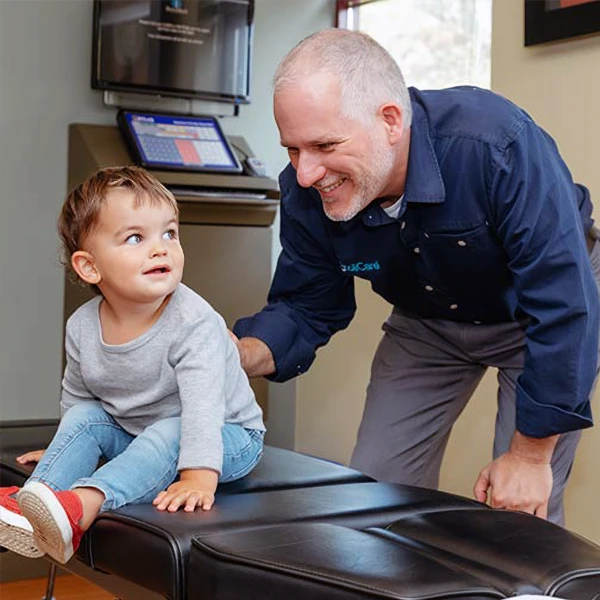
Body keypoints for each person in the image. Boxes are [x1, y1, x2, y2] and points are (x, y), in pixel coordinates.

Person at [231, 29, 600, 524]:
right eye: (293, 150)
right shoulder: (306, 191)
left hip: (536, 317)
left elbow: (563, 304)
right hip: (427, 321)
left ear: (390, 120)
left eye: (324, 144)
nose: (305, 173)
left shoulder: (494, 146)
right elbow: (306, 305)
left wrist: (531, 455)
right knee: (374, 500)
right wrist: (236, 356)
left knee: (520, 515)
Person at [0, 166, 265, 563]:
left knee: (170, 429)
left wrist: (198, 477)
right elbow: (79, 397)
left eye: (170, 233)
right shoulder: (83, 326)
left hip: (226, 436)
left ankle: (81, 507)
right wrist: (67, 450)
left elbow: (202, 409)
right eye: (136, 238)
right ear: (90, 267)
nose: (160, 249)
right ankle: (34, 504)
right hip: (143, 433)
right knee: (86, 416)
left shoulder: (194, 322)